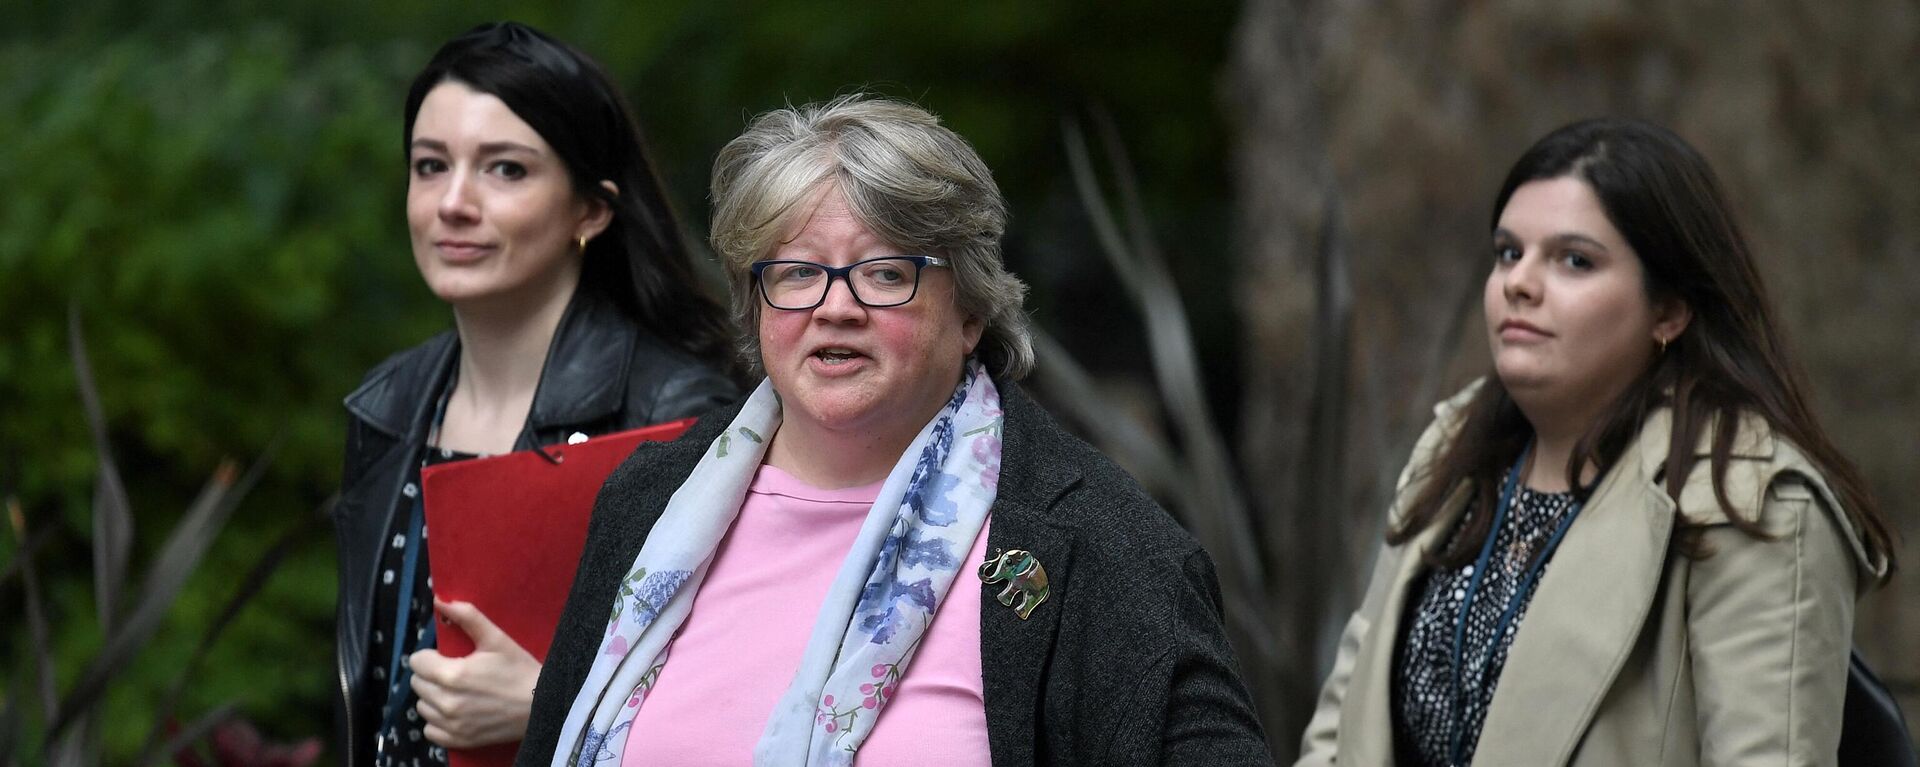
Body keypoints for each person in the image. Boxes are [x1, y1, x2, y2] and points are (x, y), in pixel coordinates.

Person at [512, 94, 1273, 766]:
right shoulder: (647, 502)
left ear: (971, 310)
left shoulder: (1099, 544)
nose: (834, 306)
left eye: (884, 273)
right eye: (798, 272)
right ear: (758, 304)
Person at [1295, 118, 1899, 766]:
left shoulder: (1750, 501)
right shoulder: (1454, 444)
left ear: (1669, 309)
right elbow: (1342, 728)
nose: (1519, 282)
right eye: (1508, 252)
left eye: (1574, 259)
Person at [332, 22, 739, 767]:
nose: (453, 202)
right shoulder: (388, 405)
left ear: (592, 210)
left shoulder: (677, 413)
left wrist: (546, 701)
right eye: (430, 166)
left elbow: (744, 697)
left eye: (505, 170)